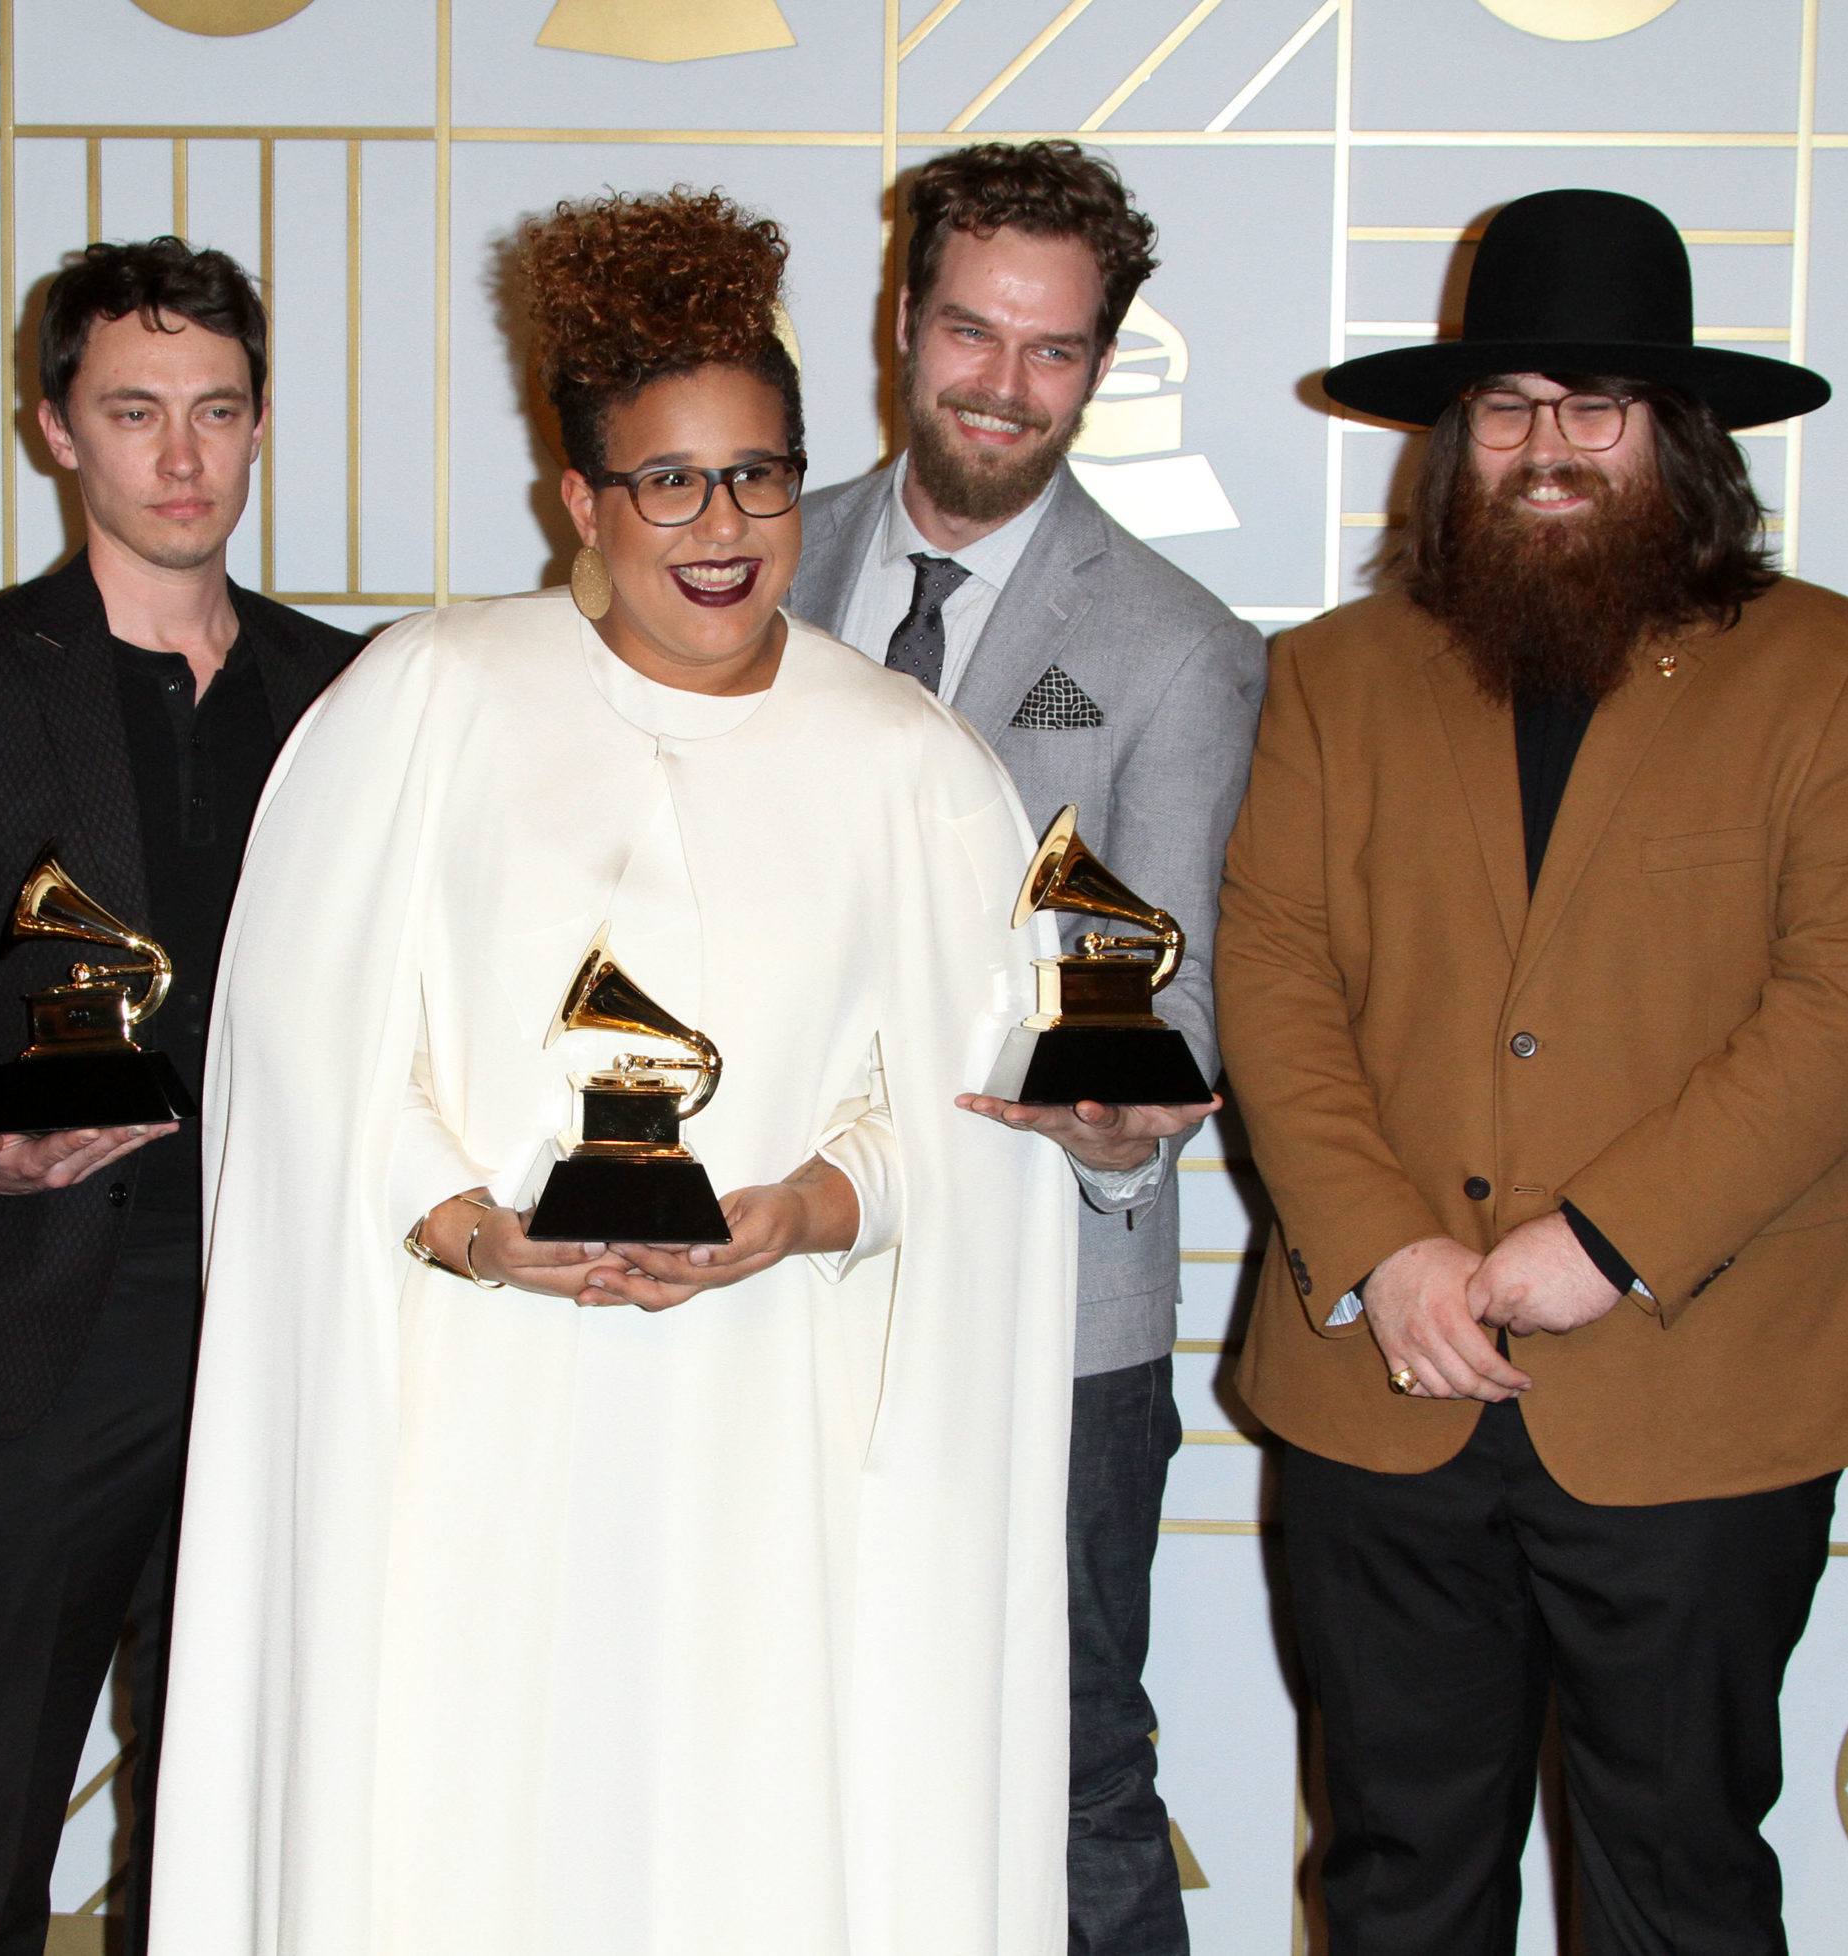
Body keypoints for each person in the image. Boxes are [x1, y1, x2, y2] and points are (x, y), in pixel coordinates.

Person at [149, 189, 1078, 1956]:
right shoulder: (426, 700)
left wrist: (797, 1213)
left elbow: (958, 1110)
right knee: (475, 1829)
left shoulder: (913, 766)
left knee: (747, 1836)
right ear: (579, 499)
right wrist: (470, 1228)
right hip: (478, 1424)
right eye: (667, 480)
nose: (720, 528)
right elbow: (314, 1047)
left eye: (759, 475)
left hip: (774, 1436)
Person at [1215, 188, 1848, 1954]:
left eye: (1593, 406)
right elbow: (1278, 974)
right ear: (1455, 438)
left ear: (1678, 436)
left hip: (1710, 1390)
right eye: (1506, 406)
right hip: (1382, 1388)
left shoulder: (1844, 672)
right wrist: (1388, 1250)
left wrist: (1601, 1242)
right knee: (1395, 1879)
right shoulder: (1333, 678)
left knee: (1676, 1884)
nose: (1547, 445)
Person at [0, 238, 357, 1956]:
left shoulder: (349, 694)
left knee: (227, 1805)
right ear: (57, 430)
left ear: (263, 423)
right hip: (54, 1312)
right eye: (135, 413)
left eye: (215, 412)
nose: (181, 459)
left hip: (286, 1320)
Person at [789, 140, 1263, 1956]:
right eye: (971, 332)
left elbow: (1187, 992)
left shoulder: (1181, 651)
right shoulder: (750, 548)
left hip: (1051, 1297)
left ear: (1102, 364)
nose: (1001, 383)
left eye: (1051, 350)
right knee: (791, 1730)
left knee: (1066, 1762)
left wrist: (1125, 1121)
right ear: (903, 324)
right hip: (765, 1261)